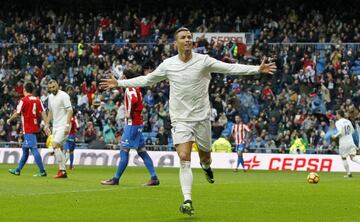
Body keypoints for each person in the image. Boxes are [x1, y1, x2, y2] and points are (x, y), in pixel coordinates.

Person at [100, 27, 276, 216]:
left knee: (205, 157)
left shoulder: (204, 61)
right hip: (180, 119)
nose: (188, 40)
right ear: (176, 43)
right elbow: (148, 80)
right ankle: (187, 200)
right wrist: (120, 83)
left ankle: (206, 167)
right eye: (183, 37)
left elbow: (231, 68)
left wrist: (257, 69)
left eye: (190, 37)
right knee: (184, 157)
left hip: (201, 118)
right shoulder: (168, 64)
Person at [101, 69, 160, 186]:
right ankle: (154, 177)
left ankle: (115, 179)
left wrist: (128, 113)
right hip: (137, 123)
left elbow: (133, 100)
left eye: (123, 76)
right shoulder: (135, 87)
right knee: (142, 151)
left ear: (126, 77)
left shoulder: (130, 87)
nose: (121, 78)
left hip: (132, 123)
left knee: (124, 150)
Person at [7, 82, 48, 177]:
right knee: (25, 150)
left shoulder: (23, 100)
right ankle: (17, 170)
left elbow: (17, 113)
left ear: (24, 90)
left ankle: (42, 171)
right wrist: (46, 124)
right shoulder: (37, 100)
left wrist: (9, 120)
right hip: (34, 127)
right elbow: (43, 113)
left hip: (28, 129)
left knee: (33, 149)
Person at [45, 80, 73, 178]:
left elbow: (70, 110)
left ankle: (62, 171)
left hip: (64, 125)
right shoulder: (50, 97)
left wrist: (67, 125)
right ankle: (62, 169)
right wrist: (47, 124)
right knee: (58, 148)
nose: (52, 89)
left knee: (55, 145)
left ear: (58, 85)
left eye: (54, 86)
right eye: (50, 88)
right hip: (56, 126)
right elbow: (50, 112)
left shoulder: (64, 95)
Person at [332, 110, 360, 178]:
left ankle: (348, 173)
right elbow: (353, 131)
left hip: (343, 143)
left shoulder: (338, 122)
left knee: (343, 158)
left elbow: (340, 131)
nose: (336, 115)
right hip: (350, 141)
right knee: (353, 157)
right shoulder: (348, 121)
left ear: (339, 115)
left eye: (336, 114)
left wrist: (335, 136)